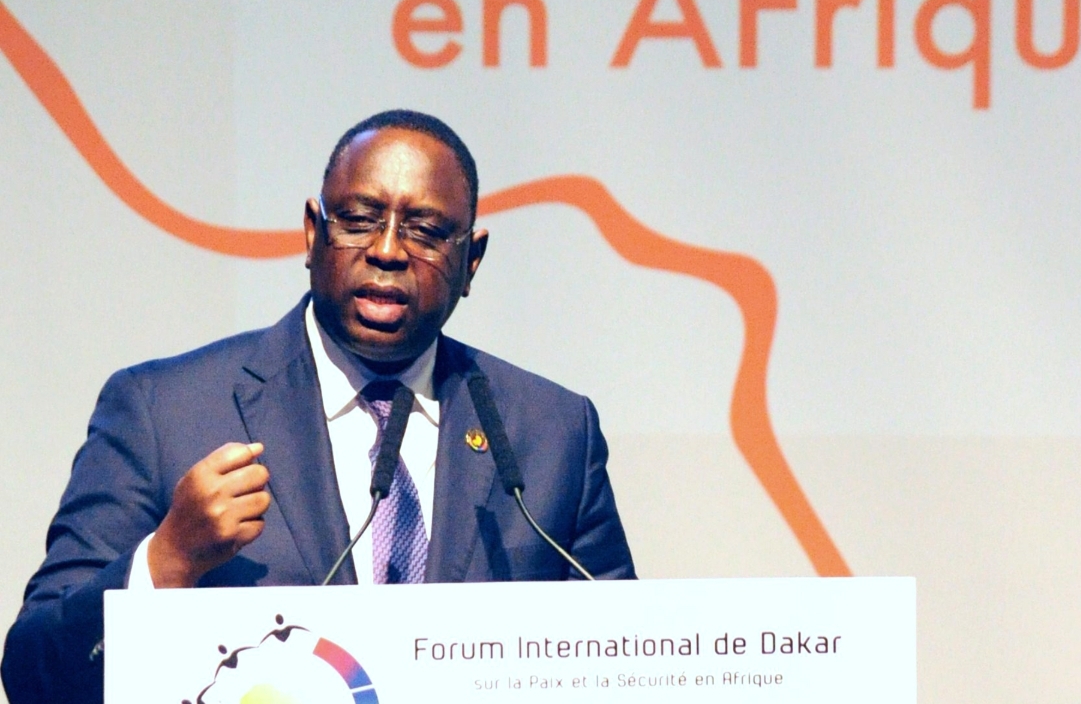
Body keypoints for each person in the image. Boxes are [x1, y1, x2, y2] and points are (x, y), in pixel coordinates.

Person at [1, 109, 635, 703]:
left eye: (426, 231)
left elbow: (630, 670)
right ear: (313, 233)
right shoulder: (162, 411)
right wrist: (167, 560)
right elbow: (33, 674)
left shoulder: (553, 432)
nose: (388, 250)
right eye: (359, 219)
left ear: (470, 261)